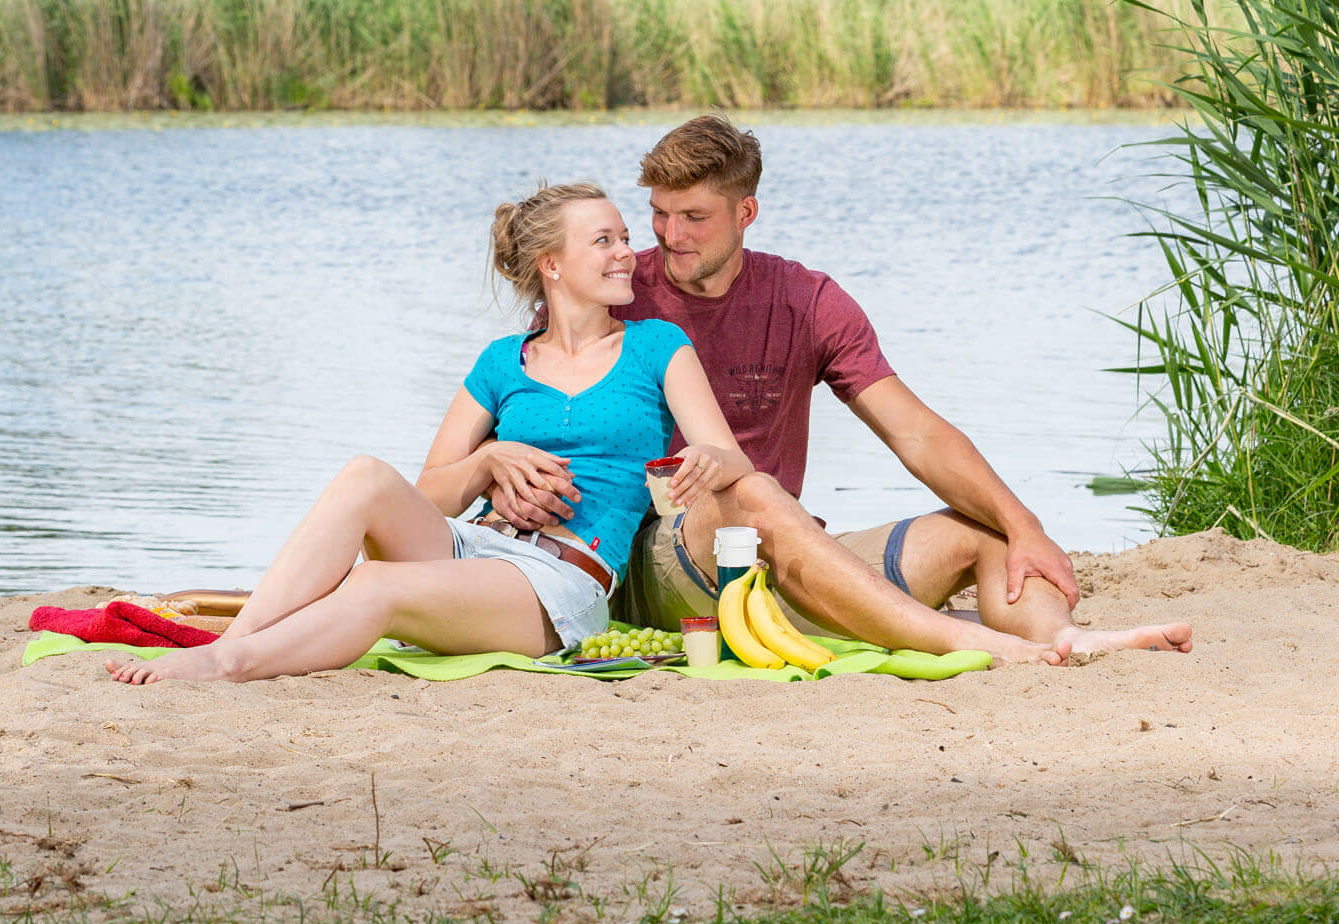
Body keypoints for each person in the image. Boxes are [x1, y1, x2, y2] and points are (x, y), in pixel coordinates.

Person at [485, 117, 1192, 663]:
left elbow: (914, 431)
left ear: (745, 213)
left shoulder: (806, 300)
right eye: (660, 214)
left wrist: (1024, 523)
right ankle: (955, 640)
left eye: (694, 217)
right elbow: (542, 403)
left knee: (983, 532)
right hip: (661, 556)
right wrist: (507, 475)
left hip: (787, 547)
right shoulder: (613, 286)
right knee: (749, 497)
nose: (668, 236)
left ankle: (1064, 641)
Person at [106, 181, 754, 686]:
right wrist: (488, 460)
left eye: (623, 238)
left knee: (374, 584)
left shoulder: (656, 347)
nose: (627, 253)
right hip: (470, 545)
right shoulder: (502, 361)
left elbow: (731, 456)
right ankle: (231, 642)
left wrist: (705, 458)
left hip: (555, 581)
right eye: (605, 241)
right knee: (365, 475)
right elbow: (431, 493)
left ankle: (227, 668)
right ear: (552, 264)